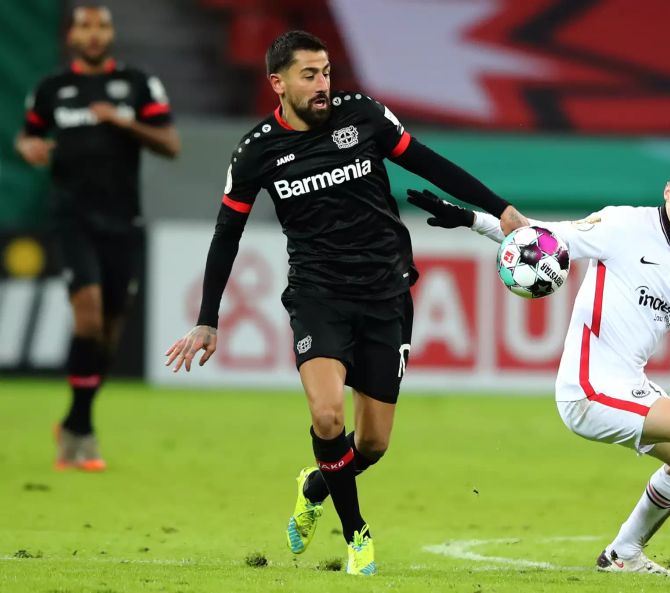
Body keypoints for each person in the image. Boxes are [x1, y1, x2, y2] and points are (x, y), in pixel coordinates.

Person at [163, 30, 526, 576]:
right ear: (277, 83)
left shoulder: (364, 117)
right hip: (318, 295)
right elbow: (226, 235)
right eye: (309, 75)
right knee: (327, 414)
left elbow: (428, 163)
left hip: (386, 292)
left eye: (327, 71)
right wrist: (207, 319)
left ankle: (316, 484)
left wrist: (502, 211)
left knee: (374, 444)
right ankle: (357, 534)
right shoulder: (257, 150)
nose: (323, 84)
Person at [406, 155, 670, 580]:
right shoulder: (622, 227)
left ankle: (624, 552)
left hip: (629, 387)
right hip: (586, 389)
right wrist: (471, 218)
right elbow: (541, 237)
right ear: (668, 192)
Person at [16, 5, 180, 471]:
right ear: (72, 34)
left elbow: (171, 144)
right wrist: (30, 148)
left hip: (122, 222)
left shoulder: (137, 84)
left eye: (101, 25)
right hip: (73, 220)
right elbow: (28, 138)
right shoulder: (51, 89)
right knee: (87, 320)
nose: (93, 34)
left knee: (109, 331)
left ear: (110, 33)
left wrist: (122, 121)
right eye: (85, 25)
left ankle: (74, 420)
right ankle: (82, 435)